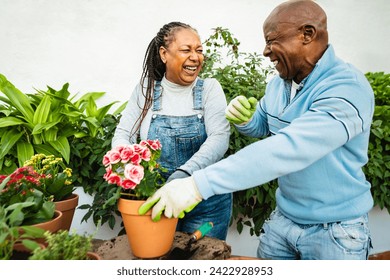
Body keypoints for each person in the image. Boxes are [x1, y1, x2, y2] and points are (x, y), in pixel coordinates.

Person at [139, 0, 375, 260]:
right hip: (283, 222)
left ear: (307, 34)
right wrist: (247, 120)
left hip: (334, 231)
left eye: (273, 40)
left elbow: (290, 148)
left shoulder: (346, 87)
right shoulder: (278, 85)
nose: (265, 51)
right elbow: (264, 126)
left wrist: (196, 185)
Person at [112, 22, 232, 240]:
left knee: (201, 259)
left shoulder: (209, 89)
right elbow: (123, 134)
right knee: (159, 260)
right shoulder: (146, 91)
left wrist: (183, 175)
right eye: (186, 50)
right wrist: (127, 171)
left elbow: (220, 137)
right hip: (158, 202)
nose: (195, 57)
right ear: (164, 54)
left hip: (207, 205)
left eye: (199, 50)